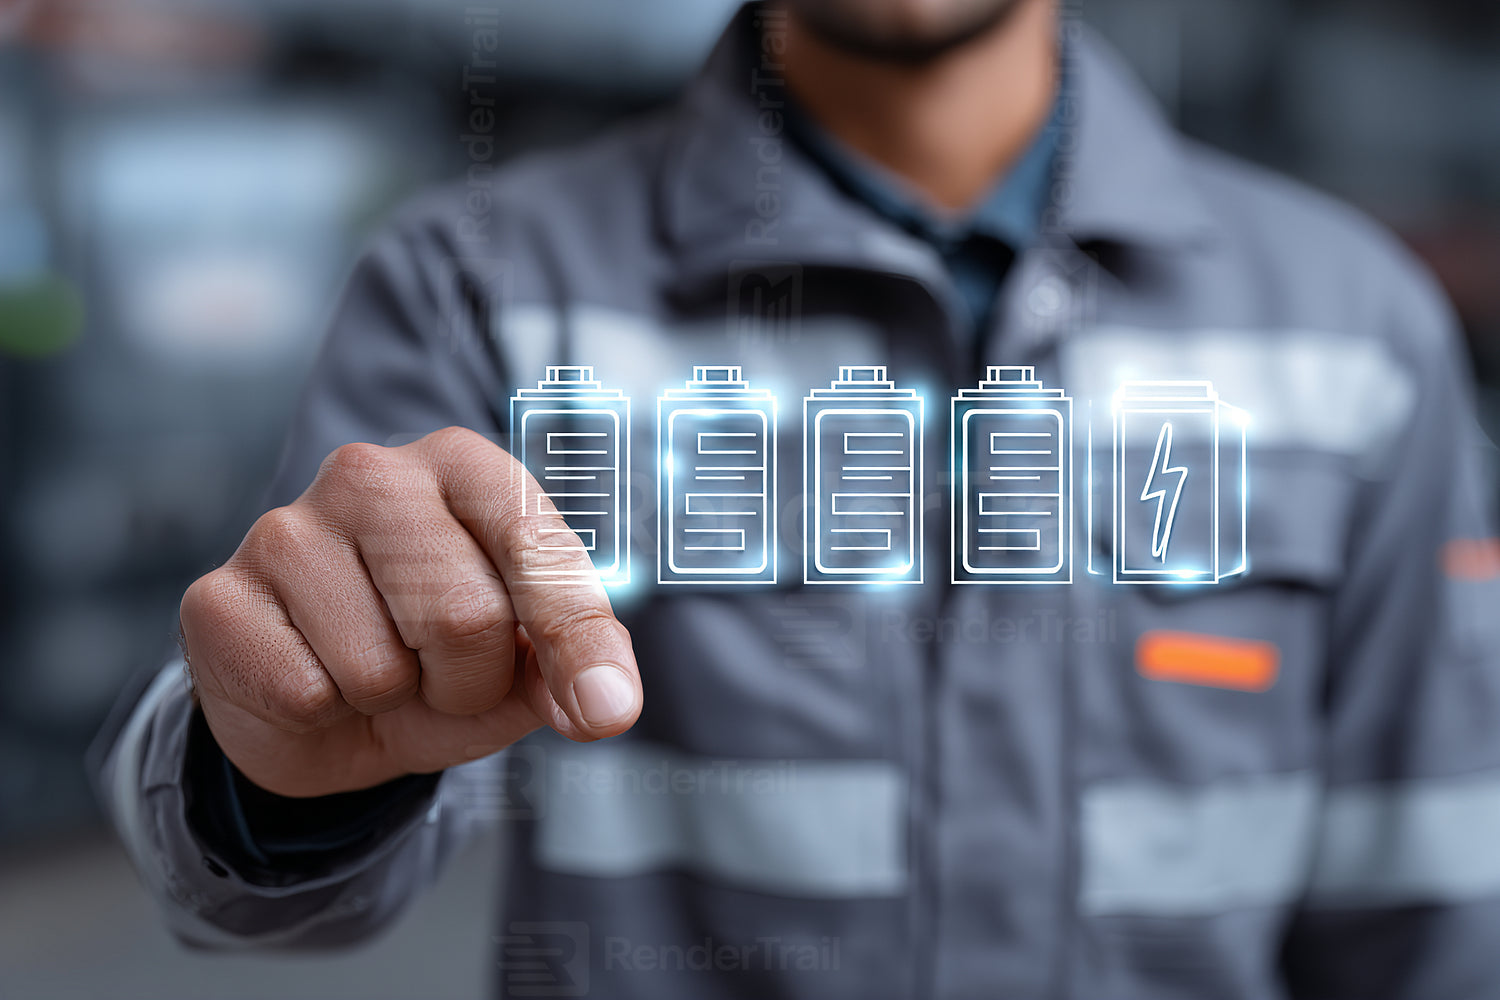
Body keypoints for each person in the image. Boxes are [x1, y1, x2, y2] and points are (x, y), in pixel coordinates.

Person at [93, 0, 1500, 997]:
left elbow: (1425, 912)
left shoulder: (1355, 326)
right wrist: (271, 768)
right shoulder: (484, 294)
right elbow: (278, 869)